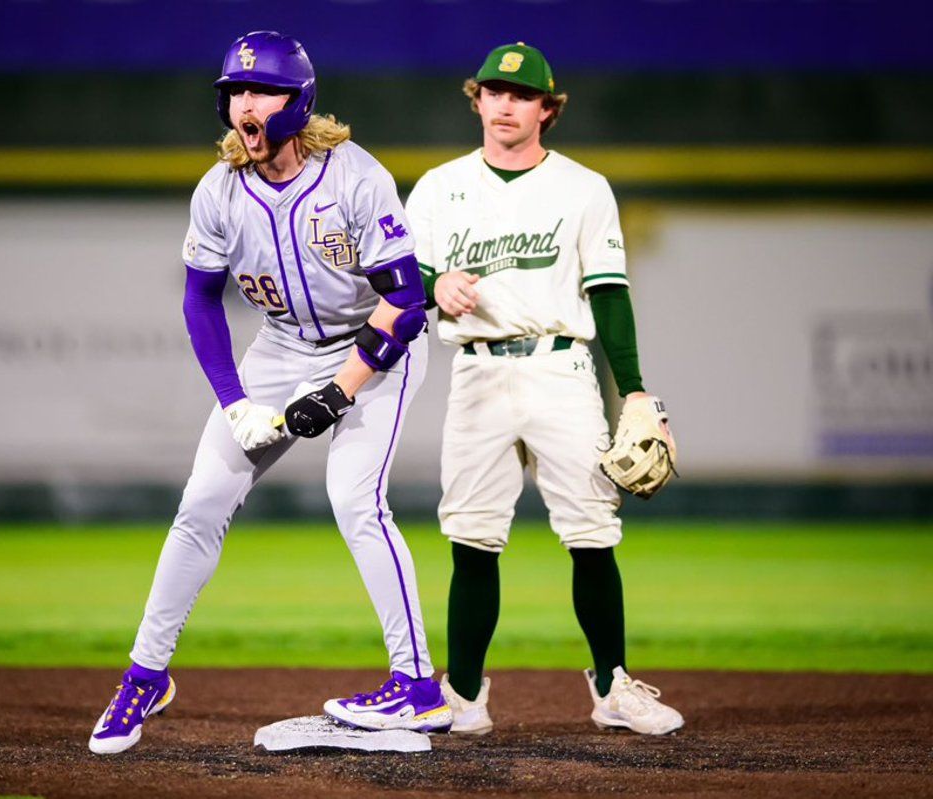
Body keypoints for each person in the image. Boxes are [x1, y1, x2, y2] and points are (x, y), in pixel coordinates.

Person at [89, 30, 450, 755]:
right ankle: (145, 675)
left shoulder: (354, 177)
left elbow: (406, 302)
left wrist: (342, 392)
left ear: (299, 102)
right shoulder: (219, 190)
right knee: (201, 503)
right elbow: (200, 303)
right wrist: (234, 402)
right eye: (236, 93)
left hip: (370, 351)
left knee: (355, 499)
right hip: (279, 350)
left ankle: (417, 686)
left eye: (261, 91)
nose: (245, 105)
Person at [404, 42, 684, 736]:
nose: (506, 103)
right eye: (494, 92)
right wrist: (435, 285)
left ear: (547, 109)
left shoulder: (584, 188)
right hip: (477, 374)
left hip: (562, 370)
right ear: (477, 100)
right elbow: (403, 280)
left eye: (522, 95)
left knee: (593, 533)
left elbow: (610, 293)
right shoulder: (439, 186)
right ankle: (463, 696)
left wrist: (638, 392)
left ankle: (613, 686)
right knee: (472, 538)